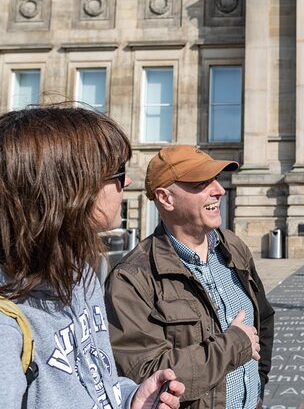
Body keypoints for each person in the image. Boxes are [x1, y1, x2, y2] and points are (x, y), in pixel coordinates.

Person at [0, 105, 185, 409]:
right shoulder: (7, 326)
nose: (126, 183)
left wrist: (130, 398)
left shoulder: (81, 275)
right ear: (70, 189)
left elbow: (97, 384)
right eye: (118, 172)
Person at [104, 145, 275, 409]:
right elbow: (146, 377)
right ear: (166, 198)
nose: (219, 190)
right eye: (201, 183)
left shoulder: (234, 247)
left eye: (216, 180)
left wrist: (259, 386)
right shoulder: (132, 278)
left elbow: (263, 318)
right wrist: (233, 345)